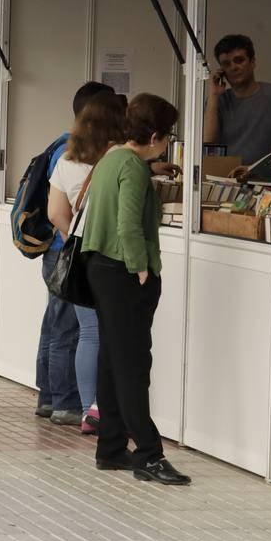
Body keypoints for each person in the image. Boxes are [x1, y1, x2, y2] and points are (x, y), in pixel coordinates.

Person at [81, 93, 190, 486]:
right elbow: (129, 222)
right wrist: (140, 267)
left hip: (99, 267)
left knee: (112, 359)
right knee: (133, 365)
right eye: (169, 135)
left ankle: (110, 447)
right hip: (125, 272)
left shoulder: (111, 158)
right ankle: (149, 452)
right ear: (157, 134)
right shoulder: (134, 168)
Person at [46, 92, 127, 436]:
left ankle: (87, 407)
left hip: (81, 257)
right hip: (112, 258)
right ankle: (104, 405)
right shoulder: (119, 158)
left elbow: (55, 213)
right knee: (111, 335)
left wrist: (76, 242)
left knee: (87, 334)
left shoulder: (66, 159)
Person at [35, 81, 114, 423]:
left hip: (63, 251)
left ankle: (52, 398)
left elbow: (55, 211)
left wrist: (71, 237)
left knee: (56, 325)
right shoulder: (107, 158)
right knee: (72, 329)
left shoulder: (64, 152)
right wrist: (76, 240)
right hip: (72, 254)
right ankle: (69, 403)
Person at [204, 34, 271, 164]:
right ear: (221, 70)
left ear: (253, 62)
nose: (233, 67)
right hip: (228, 179)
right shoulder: (218, 101)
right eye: (226, 64)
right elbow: (208, 145)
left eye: (239, 60)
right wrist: (213, 95)